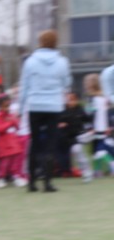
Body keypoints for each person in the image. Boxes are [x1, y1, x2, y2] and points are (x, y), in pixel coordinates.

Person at [19, 30, 71, 192]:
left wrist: (20, 108)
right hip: (54, 106)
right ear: (56, 42)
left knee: (34, 142)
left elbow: (24, 86)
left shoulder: (30, 61)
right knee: (50, 144)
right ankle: (48, 183)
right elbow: (67, 83)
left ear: (40, 42)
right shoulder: (62, 62)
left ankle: (32, 182)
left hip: (35, 105)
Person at [57, 91, 93, 182]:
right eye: (69, 100)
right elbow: (57, 122)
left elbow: (87, 120)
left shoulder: (80, 109)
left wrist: (90, 128)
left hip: (79, 135)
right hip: (67, 136)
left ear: (76, 100)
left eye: (73, 100)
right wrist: (60, 124)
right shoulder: (62, 111)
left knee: (77, 150)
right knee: (78, 153)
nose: (71, 102)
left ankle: (86, 171)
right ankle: (85, 170)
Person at [83, 73, 114, 176]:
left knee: (99, 151)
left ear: (90, 85)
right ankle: (97, 170)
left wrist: (90, 127)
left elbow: (91, 114)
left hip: (97, 129)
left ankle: (110, 166)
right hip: (104, 128)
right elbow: (108, 114)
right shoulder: (104, 98)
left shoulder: (91, 99)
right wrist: (109, 126)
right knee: (97, 150)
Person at [0, 93, 23, 188]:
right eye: (5, 106)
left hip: (13, 142)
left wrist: (15, 121)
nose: (7, 108)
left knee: (15, 161)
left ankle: (16, 176)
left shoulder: (11, 115)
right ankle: (0, 178)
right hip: (3, 144)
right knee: (4, 163)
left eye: (8, 106)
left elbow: (18, 127)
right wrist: (9, 123)